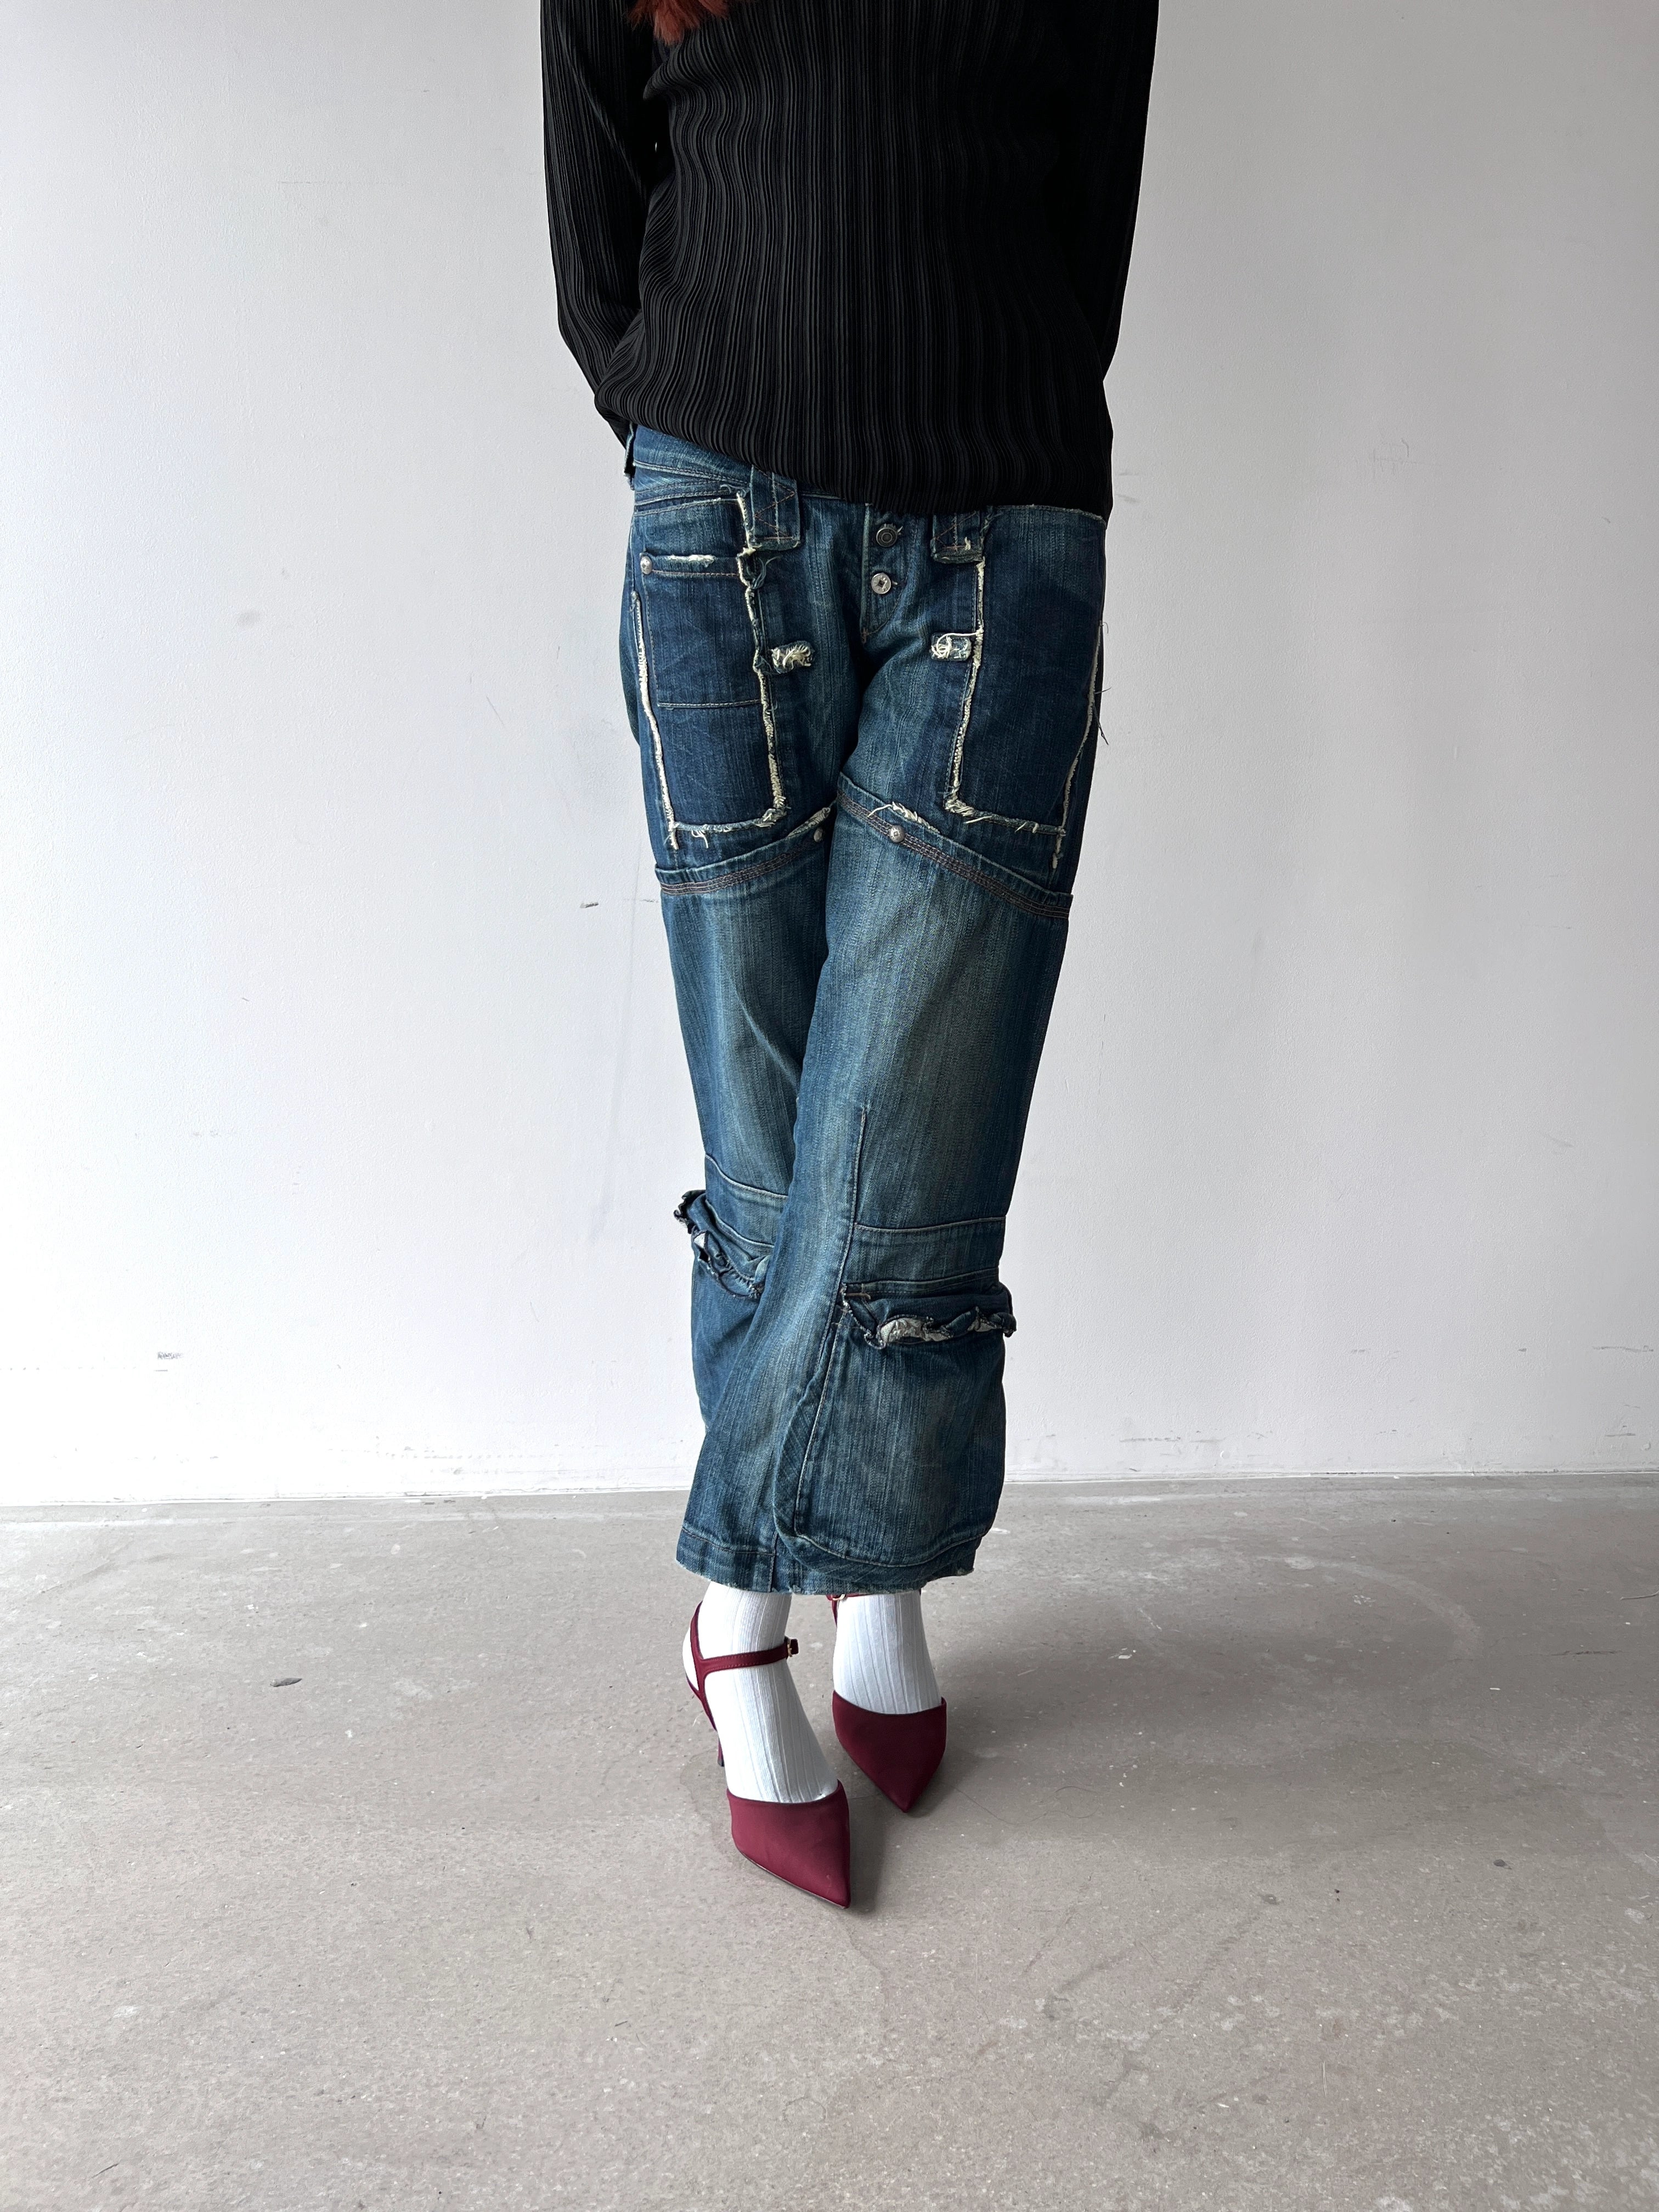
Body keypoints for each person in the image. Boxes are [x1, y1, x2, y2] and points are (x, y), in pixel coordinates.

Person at [541, 0, 1158, 1906]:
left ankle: (744, 1609)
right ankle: (874, 1588)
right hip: (721, 516)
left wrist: (987, 423)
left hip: (1008, 534)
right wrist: (694, 417)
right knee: (770, 1118)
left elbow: (1088, 223)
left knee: (913, 1132)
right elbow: (595, 237)